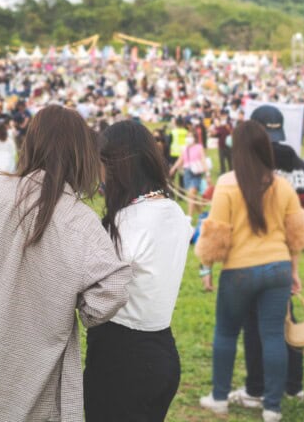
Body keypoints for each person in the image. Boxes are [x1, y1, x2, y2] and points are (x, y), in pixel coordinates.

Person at [0, 105, 132, 422]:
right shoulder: (77, 220)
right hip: (29, 385)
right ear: (82, 152)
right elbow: (111, 291)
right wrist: (76, 303)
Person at [197, 120, 304, 421]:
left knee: (226, 332)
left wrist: (205, 267)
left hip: (239, 272)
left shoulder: (226, 184)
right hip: (279, 269)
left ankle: (219, 397)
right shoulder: (282, 185)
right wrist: (295, 272)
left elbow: (216, 233)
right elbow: (296, 234)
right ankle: (272, 407)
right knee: (274, 335)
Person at [84, 120, 192, 421]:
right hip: (161, 351)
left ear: (116, 166)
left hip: (121, 357)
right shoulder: (174, 210)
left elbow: (93, 295)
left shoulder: (127, 223)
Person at [170, 133, 208, 220]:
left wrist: (207, 174)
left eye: (190, 136)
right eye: (187, 137)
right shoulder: (184, 148)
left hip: (196, 172)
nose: (188, 138)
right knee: (191, 196)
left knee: (191, 194)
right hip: (187, 173)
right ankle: (202, 214)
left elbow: (203, 160)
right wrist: (173, 168)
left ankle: (189, 217)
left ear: (194, 138)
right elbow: (180, 160)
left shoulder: (199, 147)